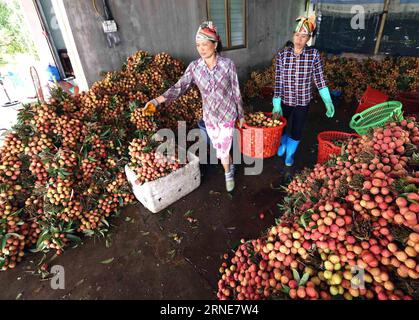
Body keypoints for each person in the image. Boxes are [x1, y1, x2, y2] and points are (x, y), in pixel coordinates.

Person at [142, 21, 245, 192]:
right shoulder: (195, 68)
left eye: (205, 44)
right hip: (210, 117)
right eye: (198, 45)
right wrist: (156, 101)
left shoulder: (228, 65)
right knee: (220, 147)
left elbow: (236, 92)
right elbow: (179, 87)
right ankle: (231, 164)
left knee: (223, 148)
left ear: (215, 44)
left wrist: (241, 115)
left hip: (227, 115)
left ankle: (228, 173)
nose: (201, 48)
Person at [272, 15, 335, 167]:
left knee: (297, 128)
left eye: (303, 36)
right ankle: (283, 144)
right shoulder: (283, 55)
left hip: (303, 101)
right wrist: (276, 102)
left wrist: (327, 100)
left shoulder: (313, 55)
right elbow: (278, 79)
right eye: (297, 35)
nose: (299, 39)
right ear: (293, 35)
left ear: (309, 39)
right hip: (285, 100)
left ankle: (290, 154)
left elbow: (319, 79)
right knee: (280, 125)